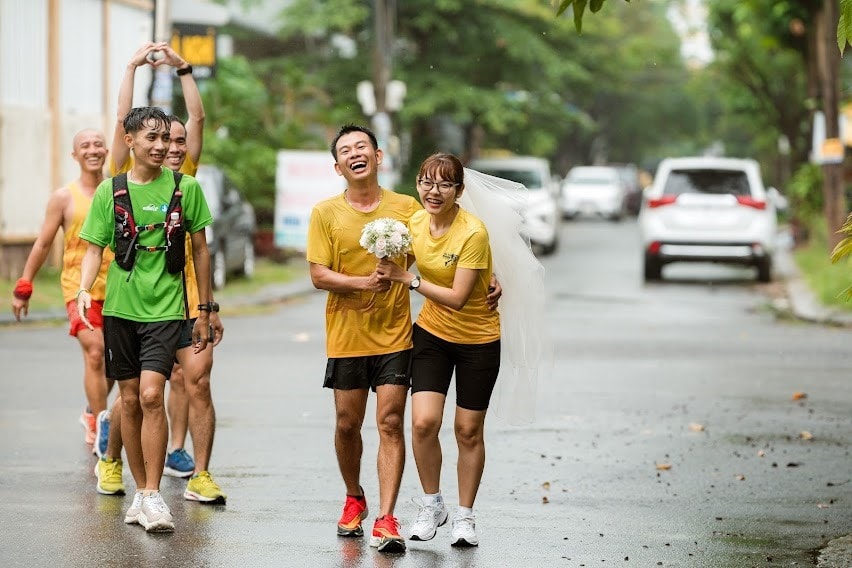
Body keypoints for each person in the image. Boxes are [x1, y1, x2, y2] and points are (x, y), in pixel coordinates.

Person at [375, 153, 536, 547]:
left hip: (479, 341)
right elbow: (399, 261)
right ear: (418, 184)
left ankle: (465, 517)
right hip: (432, 335)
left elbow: (459, 297)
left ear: (459, 191)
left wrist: (407, 280)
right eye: (427, 182)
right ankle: (432, 503)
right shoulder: (414, 223)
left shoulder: (473, 232)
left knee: (467, 430)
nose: (434, 191)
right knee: (423, 423)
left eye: (445, 184)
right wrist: (383, 260)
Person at [96, 41, 227, 505]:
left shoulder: (184, 178)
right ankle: (112, 456)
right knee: (138, 392)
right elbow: (122, 118)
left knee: (195, 379)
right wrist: (132, 65)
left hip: (186, 296)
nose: (170, 147)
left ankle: (191, 465)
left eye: (175, 141)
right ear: (139, 142)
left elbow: (199, 120)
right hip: (134, 295)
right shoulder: (123, 174)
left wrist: (184, 68)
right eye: (159, 139)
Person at [76, 106, 215, 533]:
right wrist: (84, 288)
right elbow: (94, 248)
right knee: (131, 399)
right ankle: (140, 492)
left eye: (164, 138)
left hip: (166, 310)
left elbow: (201, 250)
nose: (159, 146)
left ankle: (153, 494)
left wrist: (205, 309)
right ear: (130, 141)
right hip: (120, 309)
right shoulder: (110, 191)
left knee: (154, 394)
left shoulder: (185, 187)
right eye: (149, 138)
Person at [306, 124, 421, 553]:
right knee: (346, 424)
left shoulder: (407, 207)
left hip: (395, 335)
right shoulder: (325, 213)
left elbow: (436, 247)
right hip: (347, 334)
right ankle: (354, 495)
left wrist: (487, 278)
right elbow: (318, 275)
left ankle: (387, 518)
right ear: (338, 167)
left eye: (362, 147)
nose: (355, 153)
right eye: (346, 151)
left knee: (390, 422)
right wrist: (361, 283)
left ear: (378, 156)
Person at [11, 129, 115, 451]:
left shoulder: (118, 190)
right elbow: (43, 242)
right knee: (95, 352)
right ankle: (101, 425)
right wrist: (24, 285)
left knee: (115, 361)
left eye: (98, 144)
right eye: (85, 145)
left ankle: (90, 411)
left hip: (117, 288)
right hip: (78, 287)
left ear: (107, 150)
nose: (93, 150)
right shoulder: (64, 198)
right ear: (75, 155)